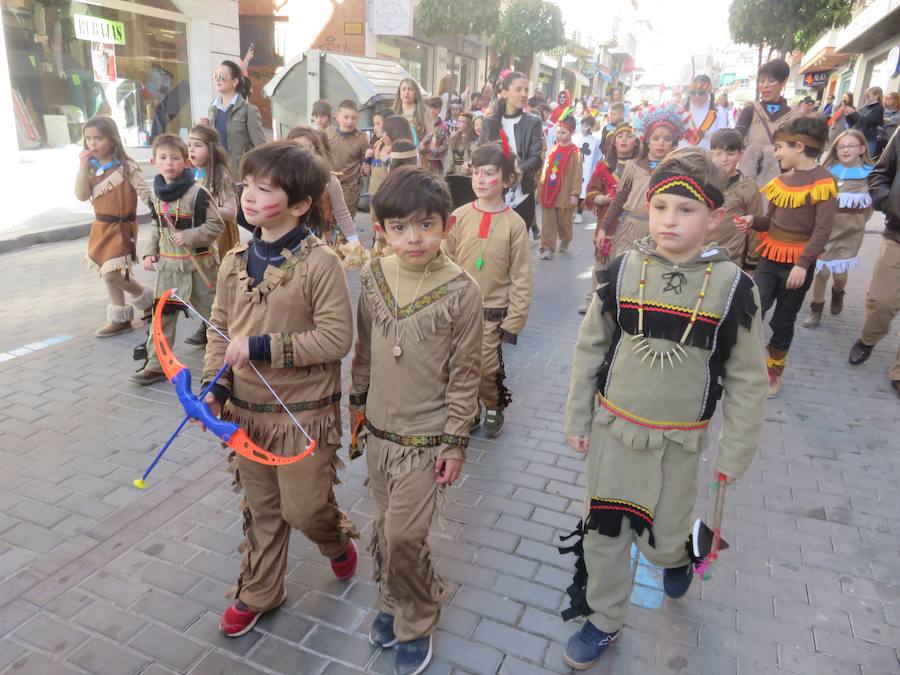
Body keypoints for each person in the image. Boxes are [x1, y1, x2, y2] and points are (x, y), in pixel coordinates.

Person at [561, 147, 767, 671]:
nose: (670, 220)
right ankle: (605, 619)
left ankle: (681, 553)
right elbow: (589, 349)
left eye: (686, 210)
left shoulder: (733, 288)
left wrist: (735, 451)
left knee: (661, 540)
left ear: (715, 217)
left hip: (680, 442)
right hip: (613, 431)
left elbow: (746, 378)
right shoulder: (623, 270)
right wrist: (578, 418)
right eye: (661, 208)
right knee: (606, 534)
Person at [201, 141, 359, 637]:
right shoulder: (233, 260)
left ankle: (335, 541)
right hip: (247, 414)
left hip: (303, 416)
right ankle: (261, 589)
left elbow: (337, 338)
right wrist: (213, 385)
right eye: (247, 185)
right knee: (263, 509)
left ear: (300, 205)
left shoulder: (320, 263)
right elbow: (220, 330)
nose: (248, 197)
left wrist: (265, 346)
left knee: (304, 509)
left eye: (264, 188)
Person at [350, 166, 482, 675]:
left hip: (426, 441)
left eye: (426, 225)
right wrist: (356, 410)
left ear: (445, 225)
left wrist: (455, 443)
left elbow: (466, 374)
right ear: (381, 229)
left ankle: (418, 615)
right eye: (399, 227)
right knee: (384, 530)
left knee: (406, 534)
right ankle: (391, 599)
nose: (413, 238)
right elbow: (363, 350)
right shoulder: (374, 274)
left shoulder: (462, 290)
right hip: (380, 433)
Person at [735, 116, 837, 397]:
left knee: (782, 321)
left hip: (797, 264)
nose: (776, 153)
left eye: (780, 147)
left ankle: (773, 370)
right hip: (770, 257)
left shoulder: (824, 181)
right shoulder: (781, 181)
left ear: (800, 146)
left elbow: (822, 230)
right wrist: (752, 221)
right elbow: (772, 221)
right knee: (755, 309)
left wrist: (803, 265)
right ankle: (745, 365)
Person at [444, 142, 532, 437]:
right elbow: (445, 261)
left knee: (485, 367)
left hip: (493, 312)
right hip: (458, 309)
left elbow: (521, 276)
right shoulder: (458, 216)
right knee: (459, 366)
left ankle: (493, 403)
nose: (480, 179)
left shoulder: (515, 224)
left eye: (489, 173)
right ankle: (469, 410)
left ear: (507, 180)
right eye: (476, 172)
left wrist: (515, 319)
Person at [132, 134, 225, 385]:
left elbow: (217, 226)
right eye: (163, 158)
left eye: (175, 158)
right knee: (161, 318)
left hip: (200, 268)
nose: (169, 163)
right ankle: (157, 364)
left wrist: (191, 235)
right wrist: (150, 252)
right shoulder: (156, 195)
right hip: (169, 270)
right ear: (154, 162)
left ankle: (230, 357)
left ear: (186, 162)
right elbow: (156, 227)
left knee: (216, 315)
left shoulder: (198, 194)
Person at [76, 115, 154, 337]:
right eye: (88, 139)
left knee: (112, 274)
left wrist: (158, 209)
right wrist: (82, 169)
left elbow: (144, 192)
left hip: (121, 227)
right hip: (101, 227)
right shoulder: (90, 169)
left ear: (112, 139)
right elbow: (81, 195)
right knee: (106, 271)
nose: (92, 143)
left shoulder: (126, 167)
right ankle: (120, 318)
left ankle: (148, 301)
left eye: (98, 138)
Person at [848, 125, 900, 396]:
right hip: (898, 235)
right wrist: (886, 201)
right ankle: (868, 339)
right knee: (882, 301)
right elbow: (880, 173)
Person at [802, 129, 873, 328]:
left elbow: (870, 208)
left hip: (851, 233)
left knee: (840, 274)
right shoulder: (827, 172)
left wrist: (859, 223)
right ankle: (816, 309)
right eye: (841, 146)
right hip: (826, 229)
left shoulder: (870, 175)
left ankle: (838, 292)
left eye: (851, 145)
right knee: (822, 271)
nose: (846, 149)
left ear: (862, 149)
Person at [598, 105, 684, 259]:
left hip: (658, 234)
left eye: (667, 139)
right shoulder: (633, 166)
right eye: (656, 138)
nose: (661, 143)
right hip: (629, 229)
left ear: (673, 143)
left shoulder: (676, 172)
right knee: (624, 273)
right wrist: (604, 227)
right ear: (647, 141)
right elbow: (619, 200)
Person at [185, 124, 240, 345]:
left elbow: (231, 212)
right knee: (204, 281)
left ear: (211, 148)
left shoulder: (221, 177)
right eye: (189, 145)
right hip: (200, 235)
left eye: (198, 145)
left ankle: (217, 326)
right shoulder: (189, 175)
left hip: (220, 236)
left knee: (218, 281)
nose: (192, 150)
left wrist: (208, 207)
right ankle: (208, 323)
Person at [577, 123, 640, 315]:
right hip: (607, 224)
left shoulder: (641, 167)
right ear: (613, 143)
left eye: (628, 136)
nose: (623, 140)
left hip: (632, 225)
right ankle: (591, 299)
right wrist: (602, 198)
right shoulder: (603, 167)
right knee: (601, 263)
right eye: (620, 136)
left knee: (628, 264)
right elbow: (590, 192)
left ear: (636, 143)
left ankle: (621, 304)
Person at [285, 126, 364, 267]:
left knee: (319, 276)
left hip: (320, 241)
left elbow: (342, 213)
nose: (303, 153)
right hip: (288, 244)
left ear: (317, 150)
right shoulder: (280, 181)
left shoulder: (329, 180)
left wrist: (354, 241)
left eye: (308, 148)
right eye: (296, 147)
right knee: (290, 276)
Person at [480, 71, 545, 241]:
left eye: (526, 89)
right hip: (493, 192)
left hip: (522, 193)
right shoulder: (490, 123)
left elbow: (537, 156)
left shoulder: (533, 122)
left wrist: (519, 170)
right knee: (490, 243)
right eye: (518, 89)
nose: (524, 94)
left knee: (516, 246)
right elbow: (481, 153)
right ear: (505, 92)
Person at [735, 59, 804, 187]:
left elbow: (798, 149)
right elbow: (736, 136)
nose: (765, 85)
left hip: (780, 179)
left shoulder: (794, 115)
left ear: (783, 82)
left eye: (771, 81)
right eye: (761, 81)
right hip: (749, 177)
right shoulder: (750, 109)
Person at [708, 129, 764, 268]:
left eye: (730, 153)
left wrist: (752, 261)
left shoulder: (747, 187)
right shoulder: (702, 182)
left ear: (741, 155)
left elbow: (755, 226)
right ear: (711, 154)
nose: (724, 159)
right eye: (718, 154)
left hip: (731, 259)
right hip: (699, 255)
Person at [206, 60, 266, 173]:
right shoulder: (212, 108)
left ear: (234, 82)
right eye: (215, 76)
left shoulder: (249, 111)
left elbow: (261, 147)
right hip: (217, 174)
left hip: (239, 178)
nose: (218, 80)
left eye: (222, 77)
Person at [538, 111, 583, 260]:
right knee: (548, 220)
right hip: (549, 192)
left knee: (564, 222)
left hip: (565, 194)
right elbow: (546, 169)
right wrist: (541, 187)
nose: (559, 135)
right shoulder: (553, 149)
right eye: (558, 132)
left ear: (572, 132)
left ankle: (565, 239)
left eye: (563, 132)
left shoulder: (575, 153)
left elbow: (578, 174)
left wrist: (575, 193)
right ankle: (547, 247)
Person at [325, 99, 370, 220]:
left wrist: (366, 168)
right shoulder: (328, 133)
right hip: (329, 182)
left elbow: (365, 161)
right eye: (346, 117)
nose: (350, 121)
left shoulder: (361, 139)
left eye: (354, 118)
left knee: (345, 219)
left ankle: (344, 239)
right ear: (338, 117)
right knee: (328, 217)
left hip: (350, 186)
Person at [679, 74, 726, 150]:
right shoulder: (681, 109)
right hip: (682, 156)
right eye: (693, 92)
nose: (696, 96)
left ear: (708, 92)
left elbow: (721, 140)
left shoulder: (719, 112)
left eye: (701, 93)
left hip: (706, 157)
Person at [575, 115, 601, 225]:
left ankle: (579, 212)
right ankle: (574, 210)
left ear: (590, 127)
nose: (583, 127)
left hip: (587, 168)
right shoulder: (577, 138)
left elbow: (598, 157)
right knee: (574, 187)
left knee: (583, 189)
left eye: (585, 125)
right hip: (577, 166)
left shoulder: (595, 141)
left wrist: (594, 170)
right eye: (582, 125)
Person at [845, 86, 885, 158]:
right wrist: (848, 115)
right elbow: (852, 123)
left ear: (876, 96)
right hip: (857, 139)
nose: (866, 98)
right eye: (865, 95)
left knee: (864, 165)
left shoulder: (879, 108)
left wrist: (854, 113)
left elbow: (866, 122)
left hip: (868, 141)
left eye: (868, 95)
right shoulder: (865, 107)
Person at [392, 78, 430, 151]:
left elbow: (430, 134)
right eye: (404, 89)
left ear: (416, 93)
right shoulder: (393, 113)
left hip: (419, 156)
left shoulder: (424, 112)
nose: (407, 92)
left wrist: (423, 145)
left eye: (410, 89)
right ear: (399, 93)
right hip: (397, 155)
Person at [423, 96, 450, 175]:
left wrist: (431, 151)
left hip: (435, 166)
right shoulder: (421, 125)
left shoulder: (443, 128)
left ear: (438, 110)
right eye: (428, 107)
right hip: (421, 163)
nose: (429, 110)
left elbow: (445, 148)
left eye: (433, 108)